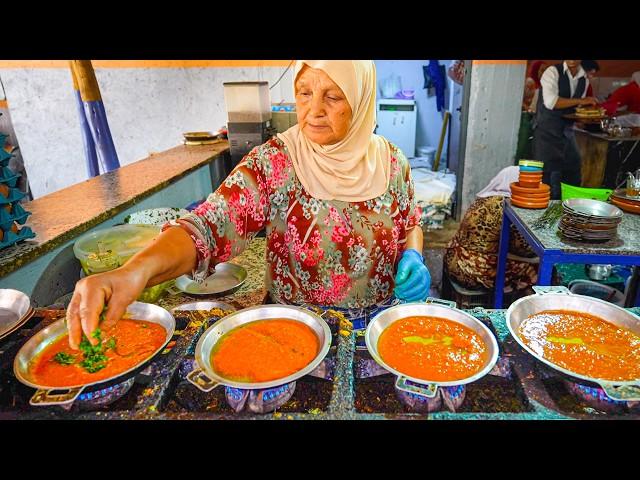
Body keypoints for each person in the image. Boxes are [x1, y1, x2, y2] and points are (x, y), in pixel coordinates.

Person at [66, 60, 431, 349]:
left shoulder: (391, 161)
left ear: (361, 99)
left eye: (333, 97)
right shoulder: (276, 162)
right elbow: (206, 227)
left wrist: (413, 255)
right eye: (304, 93)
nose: (314, 110)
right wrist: (134, 271)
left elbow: (410, 223)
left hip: (377, 332)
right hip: (294, 333)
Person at [444, 166, 538, 294]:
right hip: (472, 272)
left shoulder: (485, 198)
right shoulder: (508, 206)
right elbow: (522, 248)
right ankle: (525, 307)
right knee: (540, 269)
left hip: (453, 260)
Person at [532, 60, 598, 199]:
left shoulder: (583, 79)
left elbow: (574, 108)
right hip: (547, 132)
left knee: (573, 169)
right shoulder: (552, 72)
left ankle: (569, 208)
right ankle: (544, 213)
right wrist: (582, 101)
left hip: (567, 131)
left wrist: (586, 116)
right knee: (548, 175)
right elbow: (551, 102)